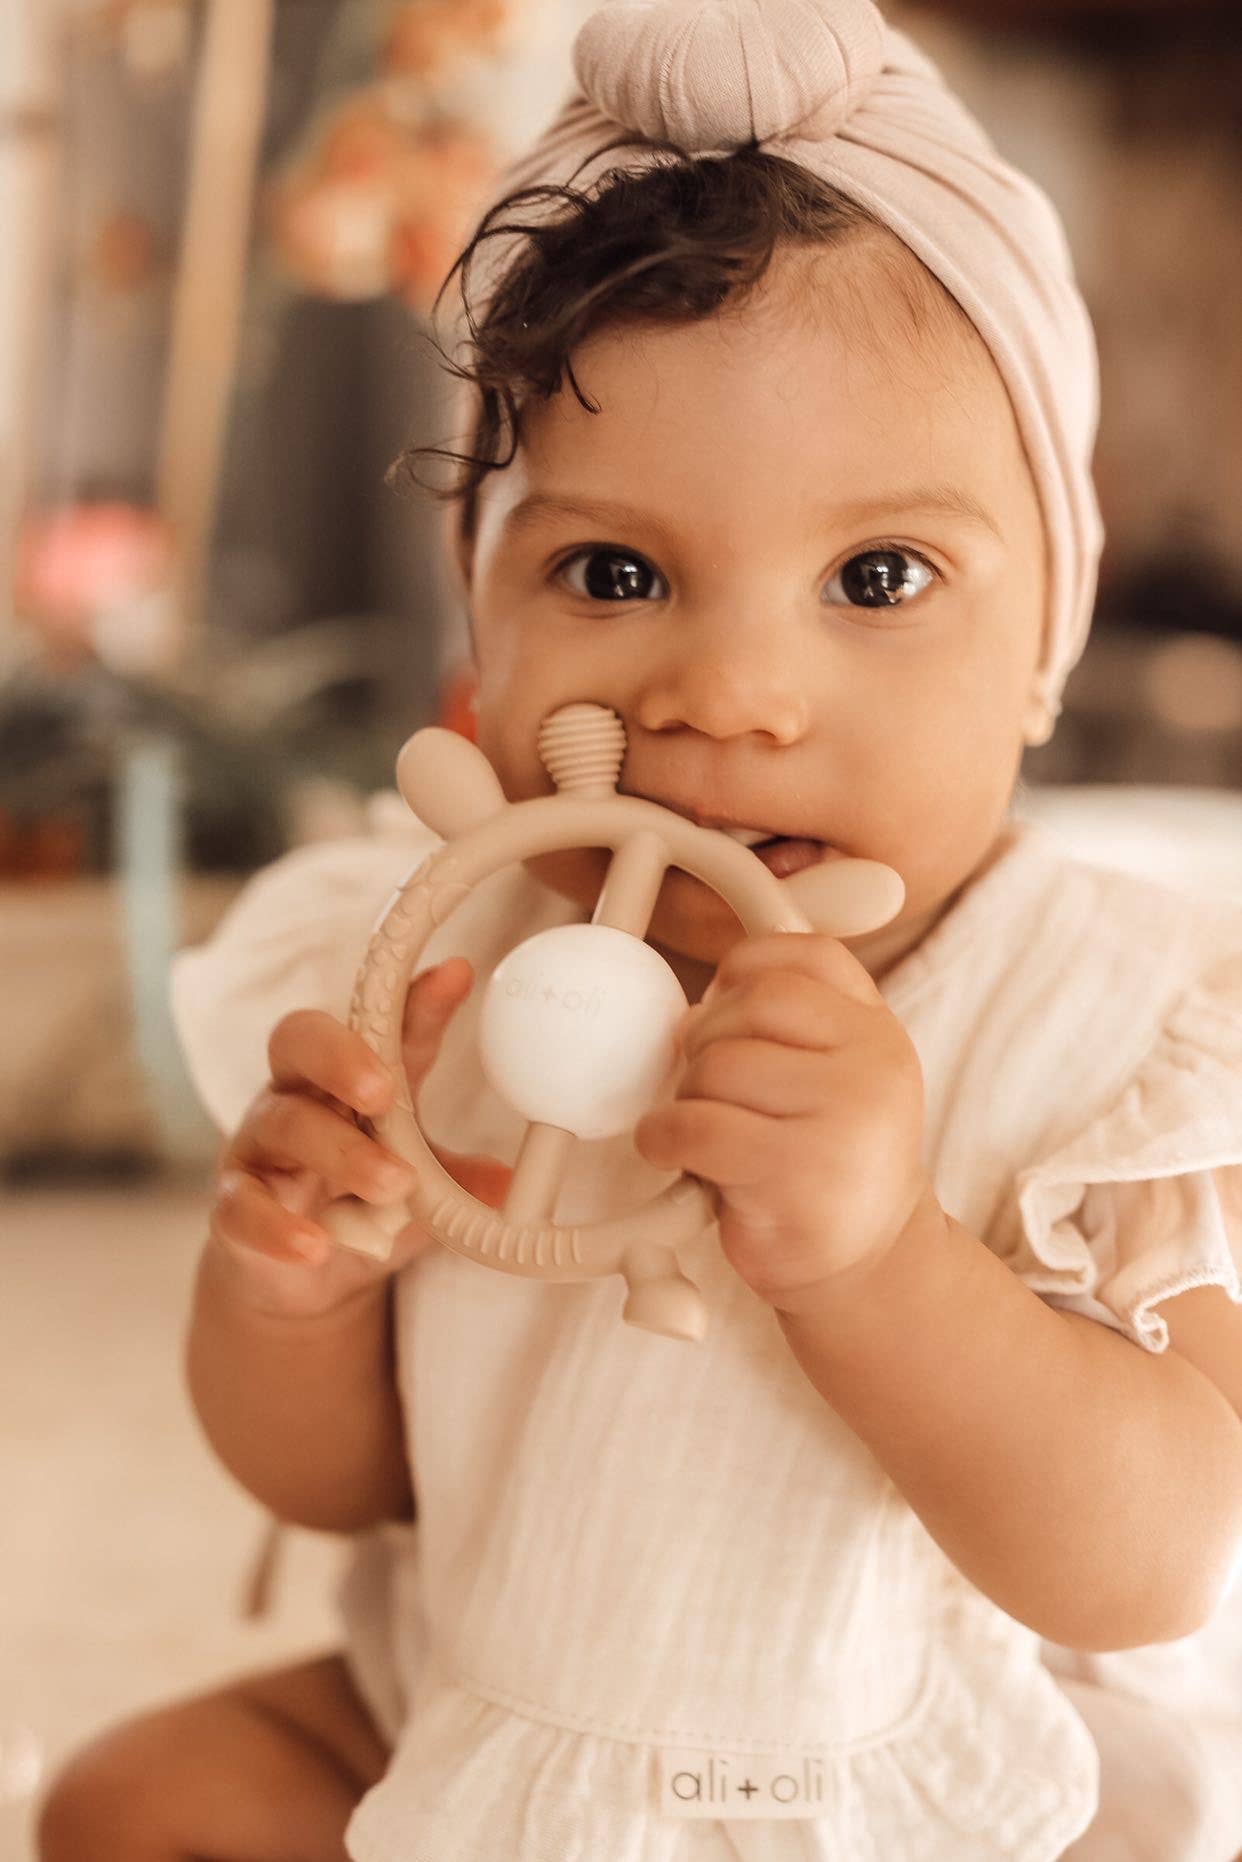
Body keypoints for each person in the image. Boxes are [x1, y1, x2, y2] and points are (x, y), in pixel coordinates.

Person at [37, 1, 1242, 1857]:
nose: (733, 692)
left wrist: (875, 1258)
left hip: (921, 1775)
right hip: (485, 1699)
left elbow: (1149, 1561)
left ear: (1043, 646)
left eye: (877, 577)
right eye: (612, 573)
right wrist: (295, 1286)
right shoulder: (423, 960)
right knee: (138, 1803)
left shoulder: (1107, 1017)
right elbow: (347, 1481)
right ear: (481, 618)